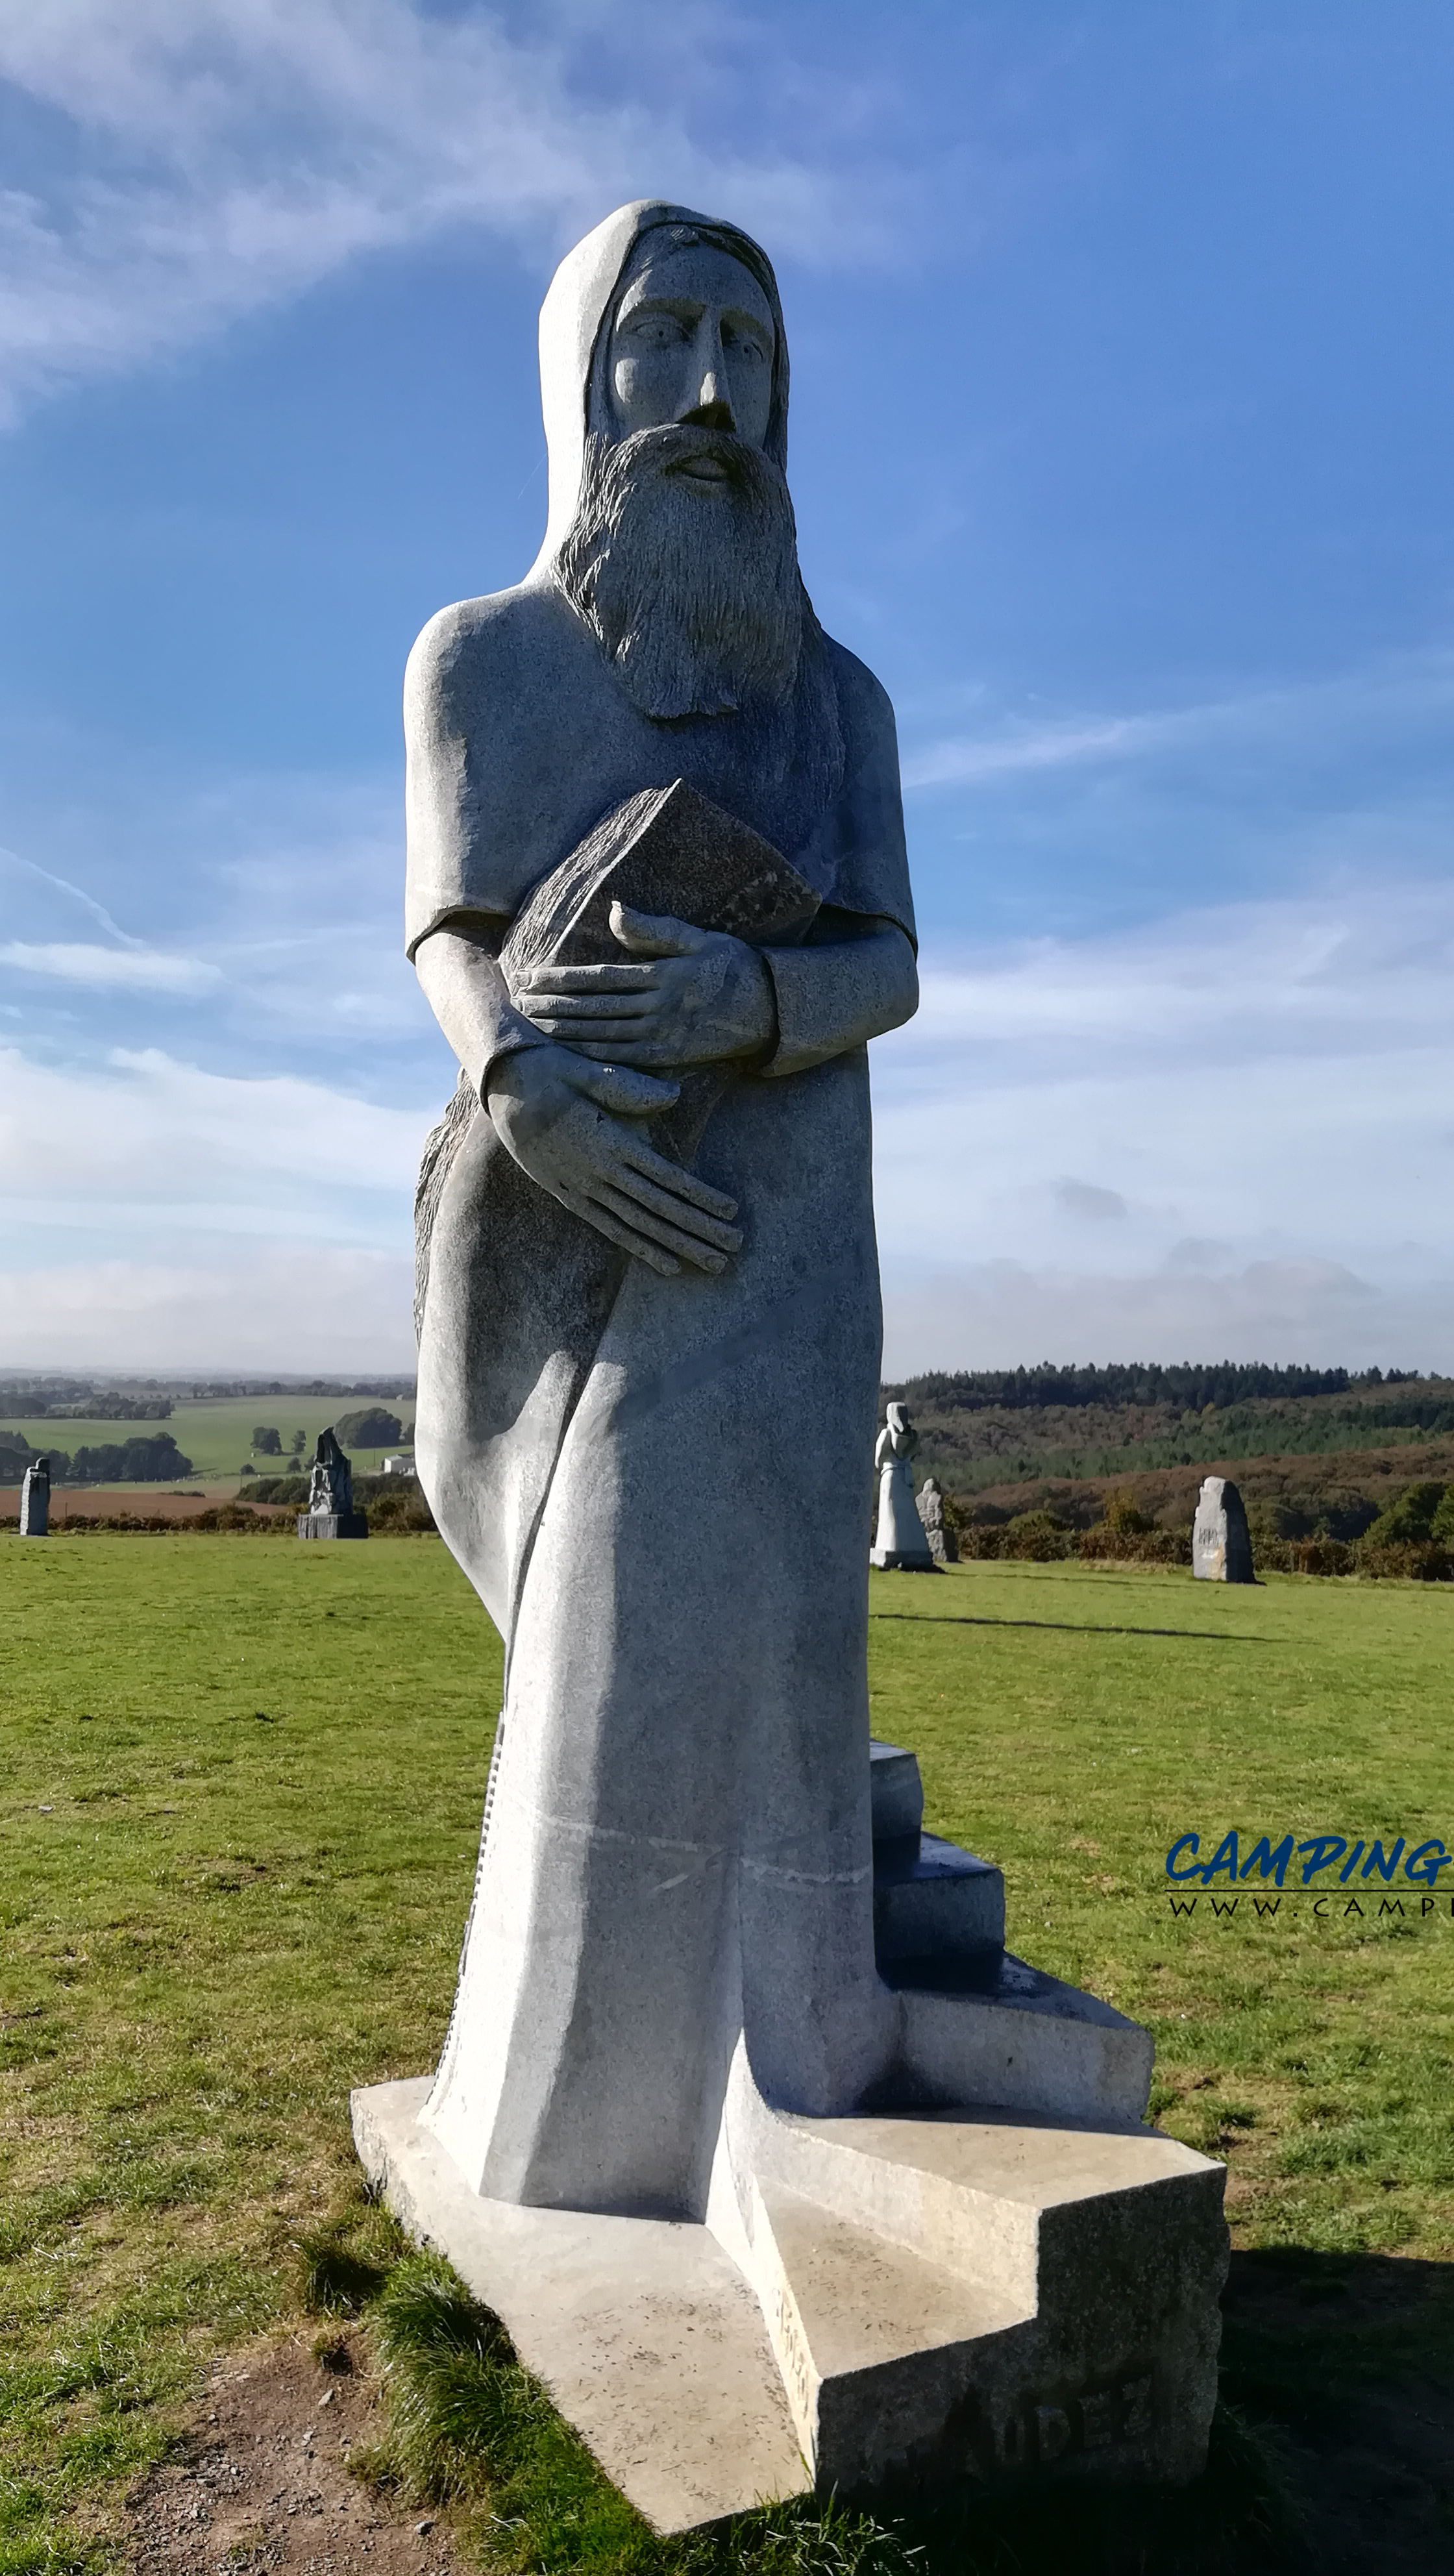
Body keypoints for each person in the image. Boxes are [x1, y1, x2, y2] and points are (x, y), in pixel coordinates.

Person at [408, 202, 918, 2219]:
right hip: (551, 1204)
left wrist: (757, 999)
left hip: (788, 1244)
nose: (713, 394)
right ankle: (584, 2118)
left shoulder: (840, 704)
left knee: (747, 1637)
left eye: (752, 351)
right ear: (581, 377)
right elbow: (453, 938)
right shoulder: (485, 662)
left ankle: (757, 2060)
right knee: (580, 1604)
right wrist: (528, 1092)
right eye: (665, 341)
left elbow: (889, 962)